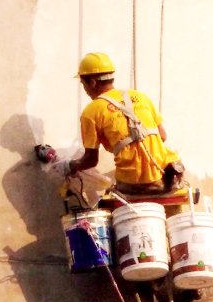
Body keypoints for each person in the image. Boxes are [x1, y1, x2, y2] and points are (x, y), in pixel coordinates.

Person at [35, 52, 184, 195]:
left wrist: (69, 166)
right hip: (168, 177)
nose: (85, 89)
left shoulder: (91, 112)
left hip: (133, 183)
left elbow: (91, 160)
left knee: (108, 202)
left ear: (92, 82)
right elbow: (162, 136)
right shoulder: (140, 97)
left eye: (83, 84)